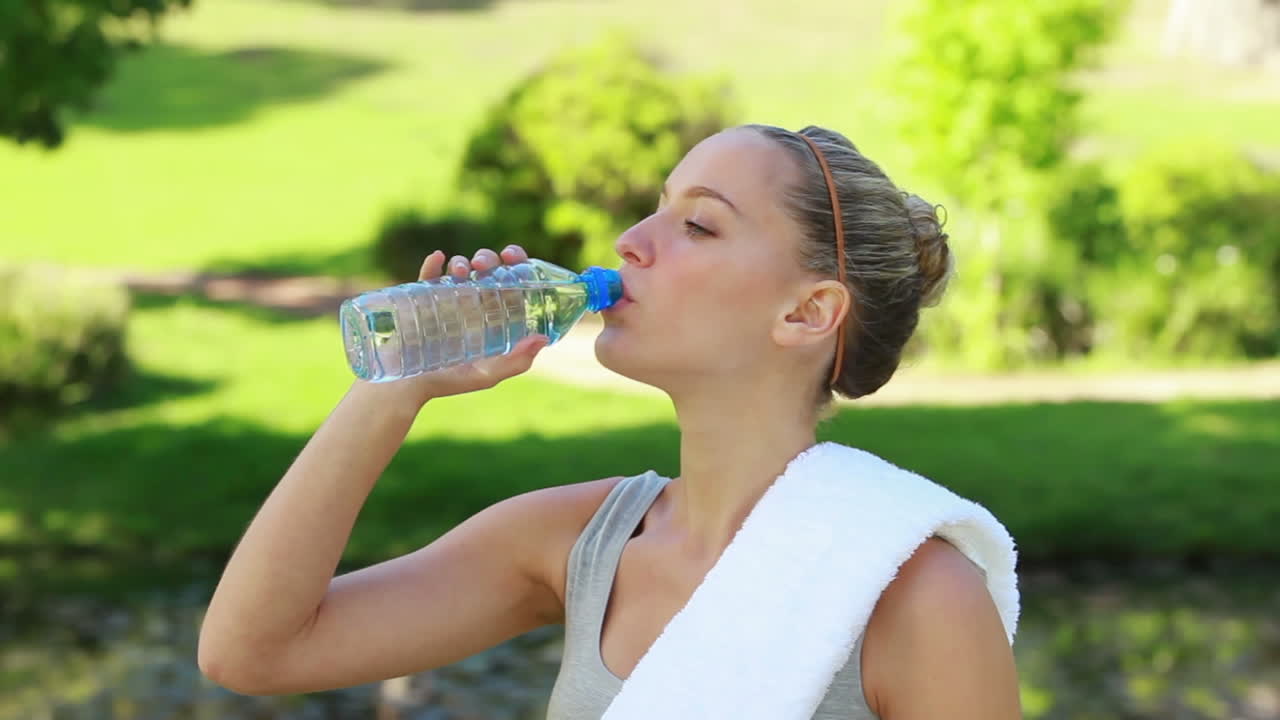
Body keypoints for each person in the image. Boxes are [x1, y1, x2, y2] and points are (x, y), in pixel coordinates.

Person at [198, 124, 1022, 719]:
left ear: (808, 312)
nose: (630, 242)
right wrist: (397, 382)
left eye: (697, 224)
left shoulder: (916, 598)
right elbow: (253, 652)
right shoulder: (581, 545)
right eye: (655, 210)